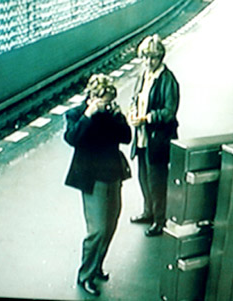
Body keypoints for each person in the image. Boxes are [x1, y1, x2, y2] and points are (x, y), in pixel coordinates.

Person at [64, 74, 131, 296]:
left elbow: (126, 137)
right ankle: (85, 275)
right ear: (92, 97)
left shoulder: (110, 114)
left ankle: (97, 265)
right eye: (103, 101)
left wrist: (119, 117)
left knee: (111, 224)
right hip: (93, 179)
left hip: (113, 175)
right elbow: (73, 138)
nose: (106, 105)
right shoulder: (76, 114)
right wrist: (88, 115)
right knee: (98, 230)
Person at [128, 34, 180, 237]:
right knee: (143, 177)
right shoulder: (143, 75)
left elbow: (169, 111)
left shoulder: (168, 79)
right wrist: (132, 111)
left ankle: (159, 220)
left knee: (157, 181)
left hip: (158, 139)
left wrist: (147, 118)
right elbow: (135, 98)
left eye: (153, 57)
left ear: (161, 57)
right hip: (142, 137)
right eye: (146, 57)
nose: (149, 62)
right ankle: (148, 211)